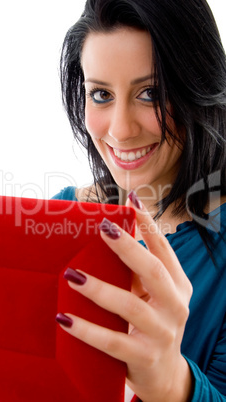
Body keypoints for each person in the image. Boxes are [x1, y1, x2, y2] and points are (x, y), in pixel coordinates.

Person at [54, 0, 226, 400]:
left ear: (199, 88)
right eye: (100, 94)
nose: (121, 130)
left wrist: (171, 383)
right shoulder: (64, 213)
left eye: (150, 92)